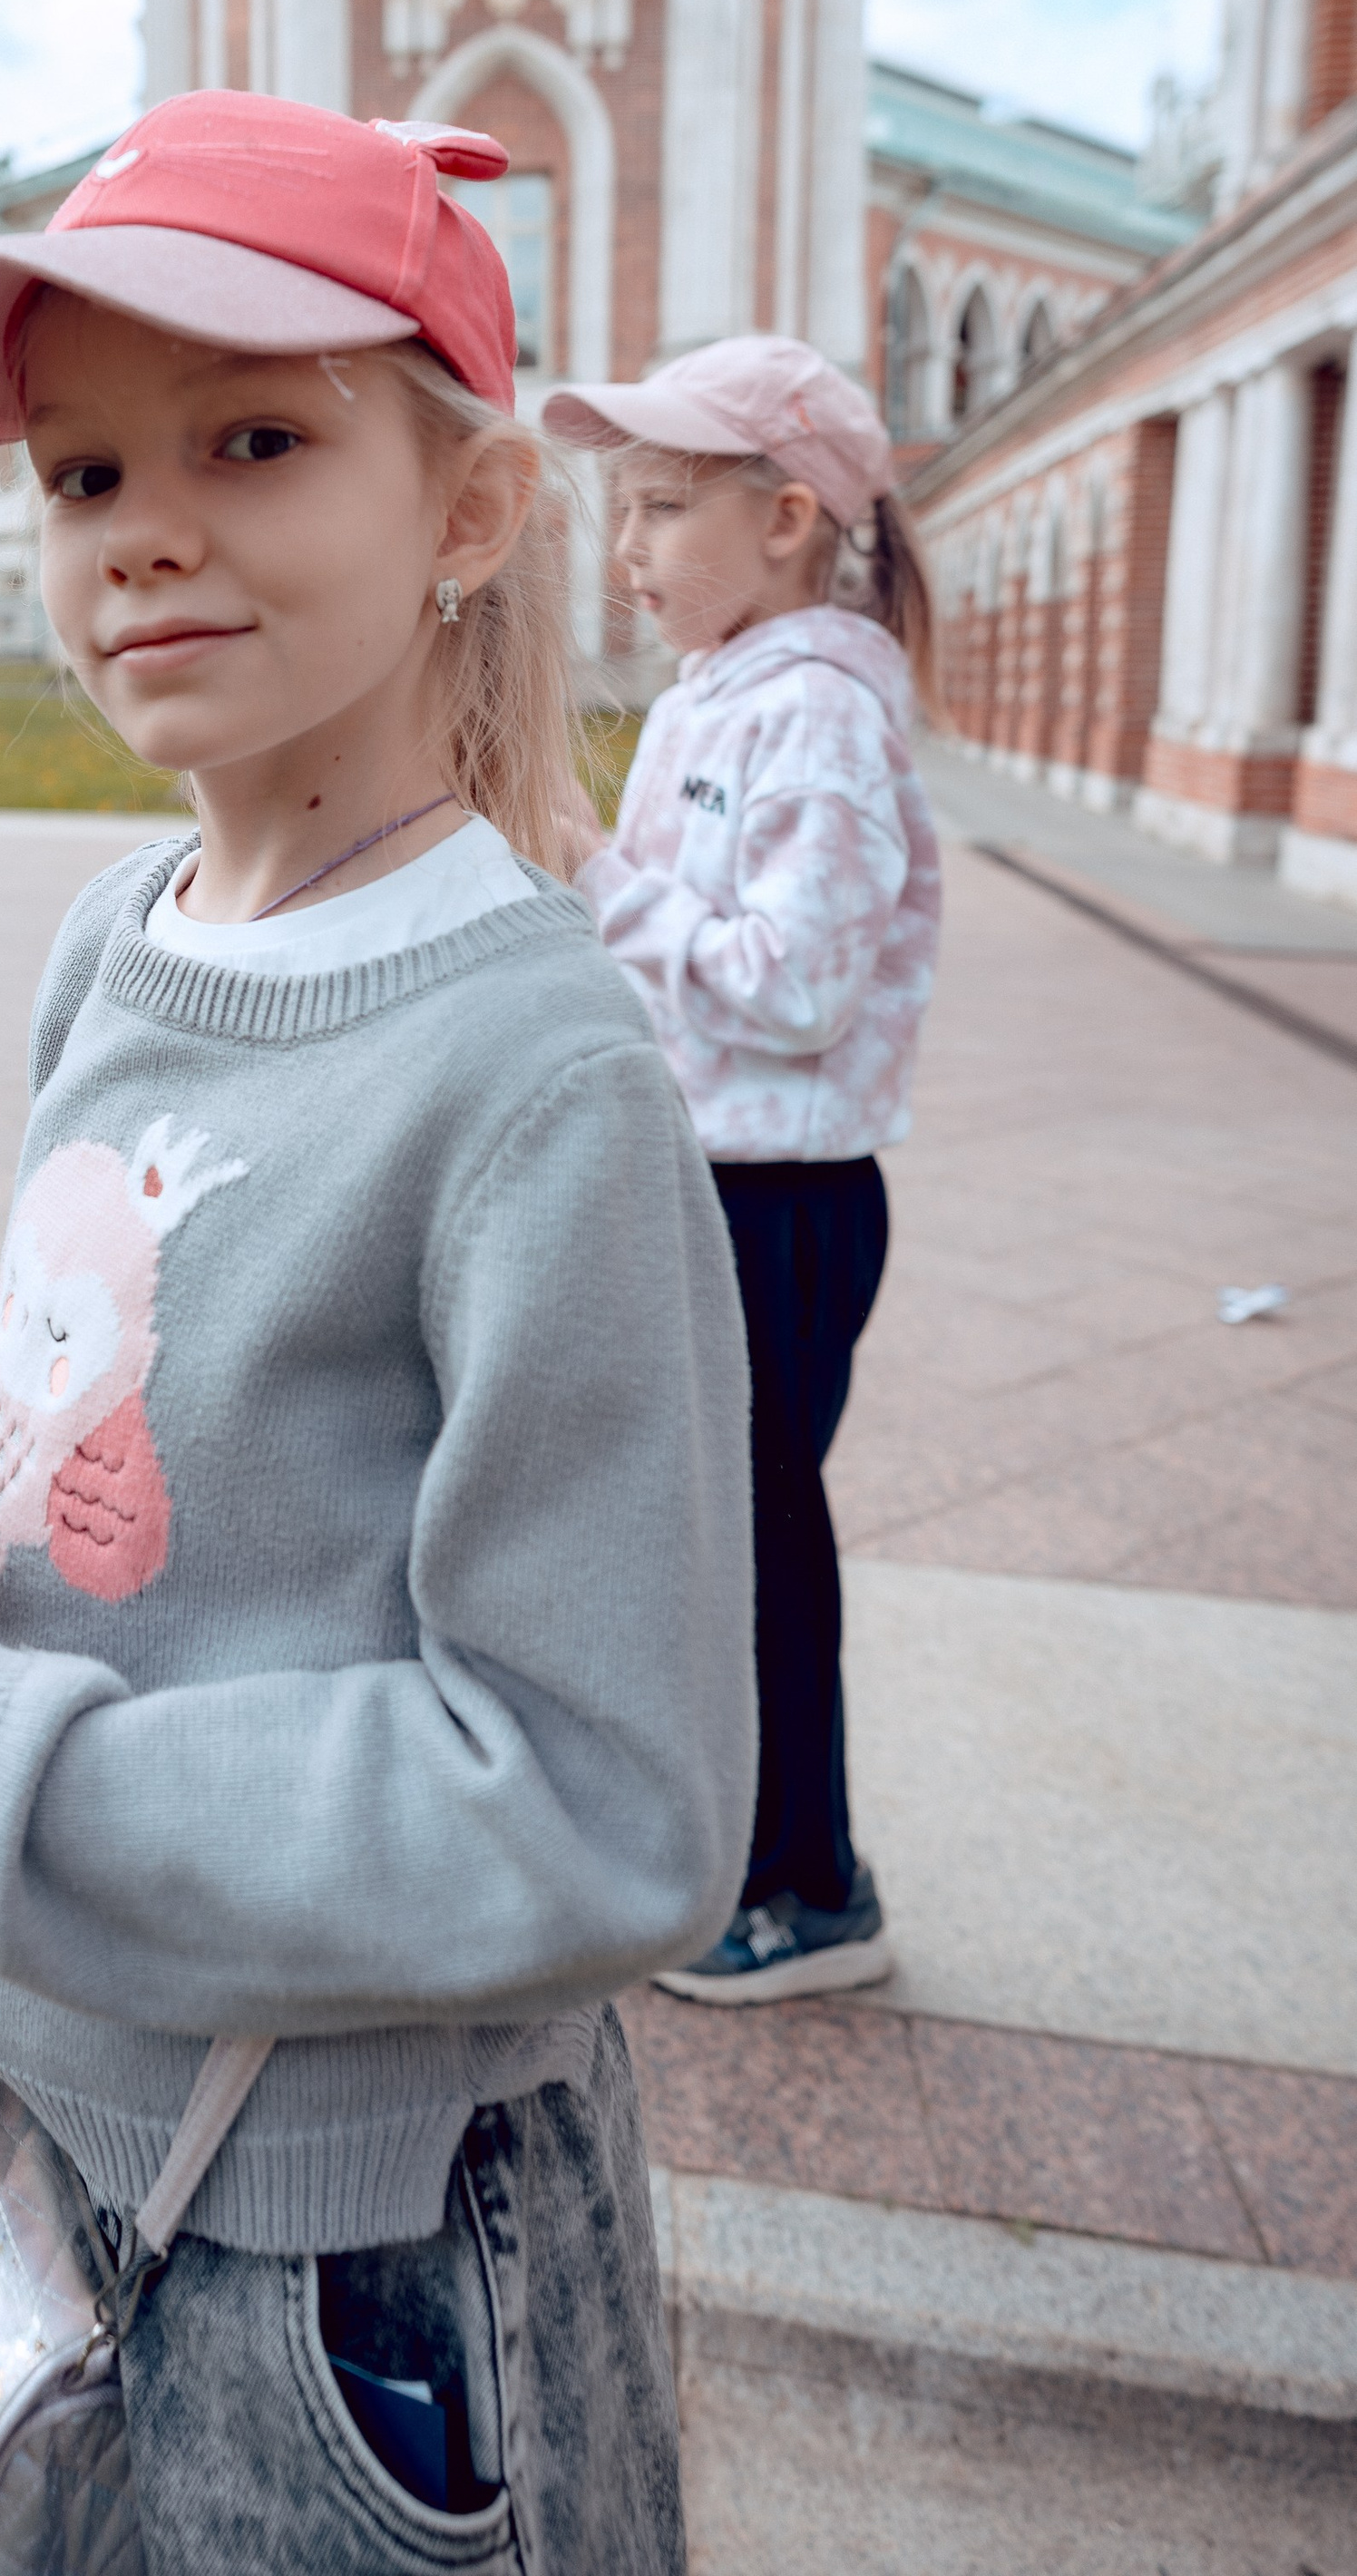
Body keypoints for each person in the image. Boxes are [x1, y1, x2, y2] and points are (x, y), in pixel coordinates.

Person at [0, 93, 754, 2571]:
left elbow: (607, 1802)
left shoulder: (537, 1080)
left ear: (468, 513)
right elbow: (139, 1425)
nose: (144, 525)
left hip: (343, 2253)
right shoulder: (119, 935)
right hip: (56, 2096)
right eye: (79, 476)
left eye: (255, 439)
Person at [544, 339, 943, 2005]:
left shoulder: (821, 714)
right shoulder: (722, 689)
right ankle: (729, 1846)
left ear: (787, 520)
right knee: (710, 1537)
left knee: (763, 1543)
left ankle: (808, 1886)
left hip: (778, 1200)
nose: (624, 548)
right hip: (711, 1176)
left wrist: (599, 878)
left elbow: (797, 982)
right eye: (619, 511)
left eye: (656, 506)